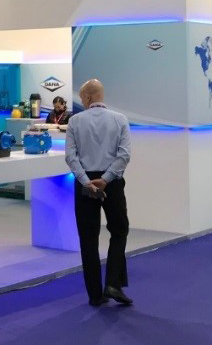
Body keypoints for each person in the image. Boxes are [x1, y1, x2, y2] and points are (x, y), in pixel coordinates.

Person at [65, 79, 133, 307]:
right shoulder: (120, 119)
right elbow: (124, 155)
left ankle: (95, 295)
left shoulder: (74, 121)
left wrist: (86, 181)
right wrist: (105, 179)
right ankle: (113, 283)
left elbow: (71, 157)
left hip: (85, 183)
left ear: (87, 97)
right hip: (112, 183)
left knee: (88, 237)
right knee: (119, 230)